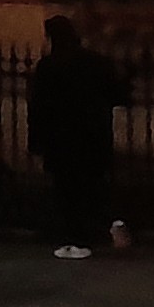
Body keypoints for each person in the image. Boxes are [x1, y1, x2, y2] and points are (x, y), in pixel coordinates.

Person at [31, 18, 122, 259]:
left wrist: (37, 142)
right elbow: (116, 93)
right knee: (91, 184)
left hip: (60, 139)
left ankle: (74, 236)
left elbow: (39, 107)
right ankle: (98, 228)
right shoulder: (95, 63)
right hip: (93, 135)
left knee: (66, 189)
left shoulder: (48, 67)